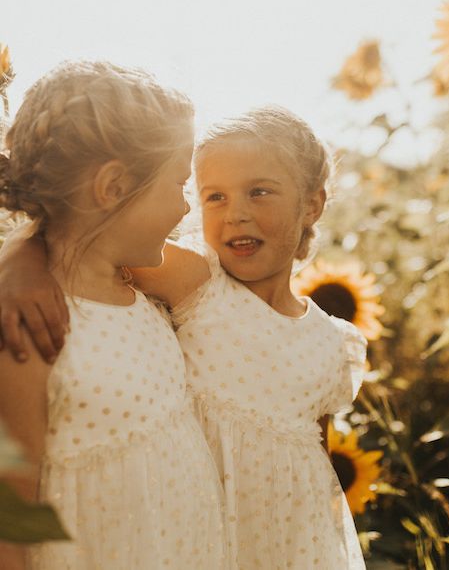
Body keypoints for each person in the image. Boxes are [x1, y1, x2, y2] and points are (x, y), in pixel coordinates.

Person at [0, 106, 368, 569]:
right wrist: (18, 259)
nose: (235, 214)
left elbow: (319, 462)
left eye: (259, 192)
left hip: (295, 548)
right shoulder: (200, 282)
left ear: (311, 204)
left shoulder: (332, 343)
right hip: (196, 538)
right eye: (214, 197)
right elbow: (87, 236)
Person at [0, 61, 229, 569]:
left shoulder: (141, 281)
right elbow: (9, 517)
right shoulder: (32, 325)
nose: (187, 208)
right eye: (177, 183)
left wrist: (21, 251)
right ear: (112, 187)